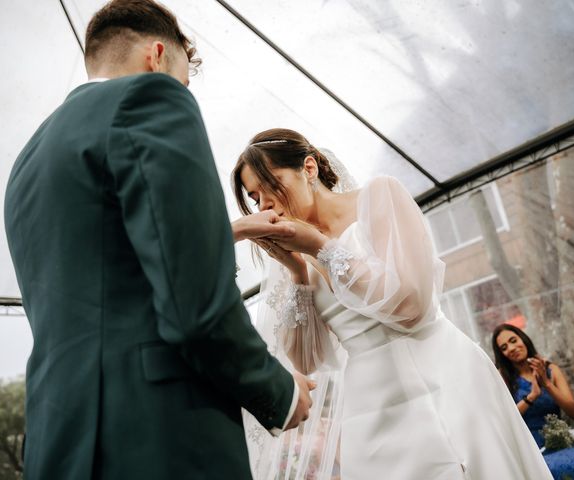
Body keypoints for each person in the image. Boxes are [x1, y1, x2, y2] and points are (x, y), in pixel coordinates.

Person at [3, 2, 314, 479]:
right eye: (184, 80)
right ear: (155, 56)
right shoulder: (148, 98)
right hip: (160, 433)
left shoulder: (24, 165)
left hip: (59, 440)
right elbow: (194, 297)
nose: (183, 93)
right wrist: (278, 389)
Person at [231, 128, 552, 479]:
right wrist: (296, 272)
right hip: (372, 405)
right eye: (254, 196)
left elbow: (412, 308)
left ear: (309, 169)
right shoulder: (295, 256)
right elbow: (307, 360)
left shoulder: (379, 198)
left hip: (443, 376)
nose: (264, 205)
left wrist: (321, 248)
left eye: (271, 185)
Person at [492, 323, 574, 479]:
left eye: (513, 340)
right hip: (530, 448)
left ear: (523, 339)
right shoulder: (503, 377)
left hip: (560, 441)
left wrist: (547, 384)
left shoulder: (551, 369)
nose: (511, 348)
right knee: (552, 469)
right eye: (504, 348)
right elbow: (505, 420)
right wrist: (531, 397)